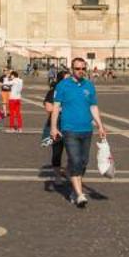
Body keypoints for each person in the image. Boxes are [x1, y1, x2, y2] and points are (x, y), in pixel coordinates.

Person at [48, 56, 104, 208]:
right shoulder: (62, 85)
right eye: (77, 68)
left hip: (86, 129)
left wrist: (100, 125)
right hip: (69, 129)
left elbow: (93, 107)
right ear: (72, 70)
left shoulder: (89, 86)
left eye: (83, 68)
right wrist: (53, 127)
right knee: (75, 160)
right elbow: (56, 108)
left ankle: (74, 189)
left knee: (84, 162)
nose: (81, 71)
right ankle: (80, 194)